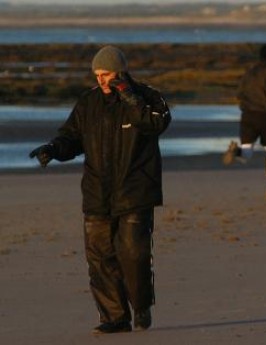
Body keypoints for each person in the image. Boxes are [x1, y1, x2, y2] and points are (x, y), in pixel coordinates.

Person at [29, 45, 171, 334]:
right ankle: (115, 318)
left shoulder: (146, 96)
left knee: (134, 254)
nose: (100, 80)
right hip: (97, 192)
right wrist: (54, 149)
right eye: (97, 75)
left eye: (105, 74)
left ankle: (141, 306)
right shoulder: (88, 103)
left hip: (135, 190)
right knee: (99, 257)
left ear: (119, 72)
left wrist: (129, 96)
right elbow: (71, 137)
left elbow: (158, 122)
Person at [222, 43, 266, 201]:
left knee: (247, 152)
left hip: (247, 115)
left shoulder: (249, 72)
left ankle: (236, 151)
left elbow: (239, 94)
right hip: (265, 115)